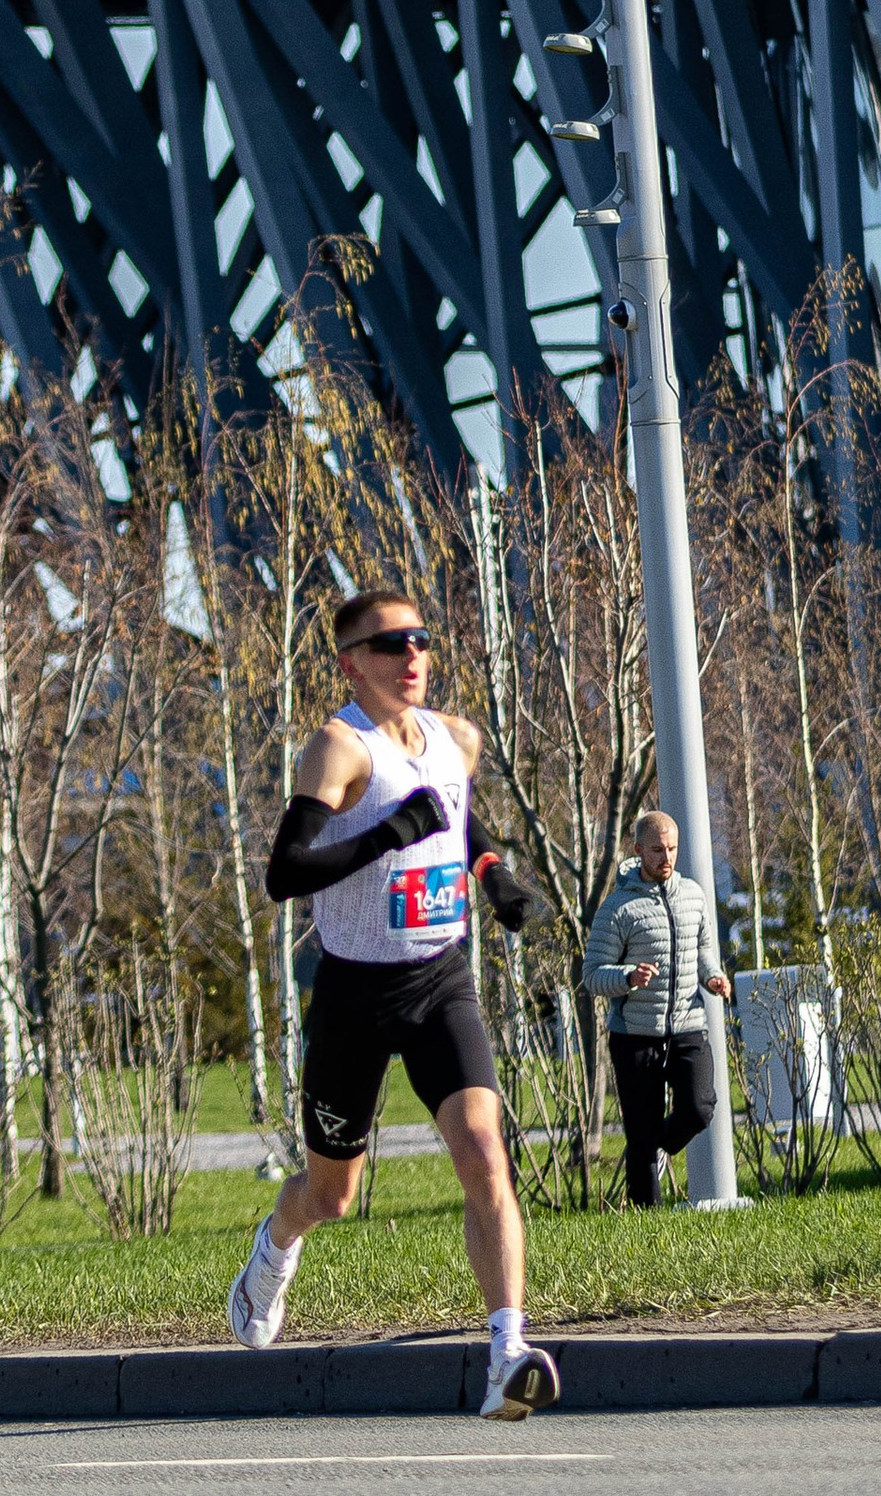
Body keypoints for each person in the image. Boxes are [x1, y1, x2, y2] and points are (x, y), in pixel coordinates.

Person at [225, 587, 559, 1419]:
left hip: (440, 979)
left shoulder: (457, 739)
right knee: (331, 1194)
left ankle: (506, 1353)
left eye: (420, 640)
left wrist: (496, 877)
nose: (411, 656)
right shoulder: (339, 749)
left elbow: (455, 821)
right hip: (354, 993)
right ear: (350, 664)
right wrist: (380, 836)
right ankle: (274, 1249)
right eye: (389, 645)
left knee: (485, 1149)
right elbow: (283, 874)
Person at [581, 808, 733, 1208]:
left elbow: (702, 950)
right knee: (640, 1132)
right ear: (638, 851)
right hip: (635, 1034)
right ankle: (648, 1222)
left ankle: (654, 1144)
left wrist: (713, 976)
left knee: (700, 1108)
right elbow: (592, 975)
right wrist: (628, 976)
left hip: (687, 1024)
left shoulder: (694, 896)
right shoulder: (618, 909)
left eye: (672, 849)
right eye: (657, 850)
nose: (666, 858)